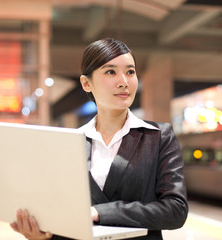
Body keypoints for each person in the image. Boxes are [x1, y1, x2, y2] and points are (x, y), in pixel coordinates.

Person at [10, 38, 188, 240]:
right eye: (110, 72)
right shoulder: (69, 143)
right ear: (86, 83)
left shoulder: (158, 137)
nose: (124, 81)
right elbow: (65, 217)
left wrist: (99, 213)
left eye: (130, 72)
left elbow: (175, 210)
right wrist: (44, 237)